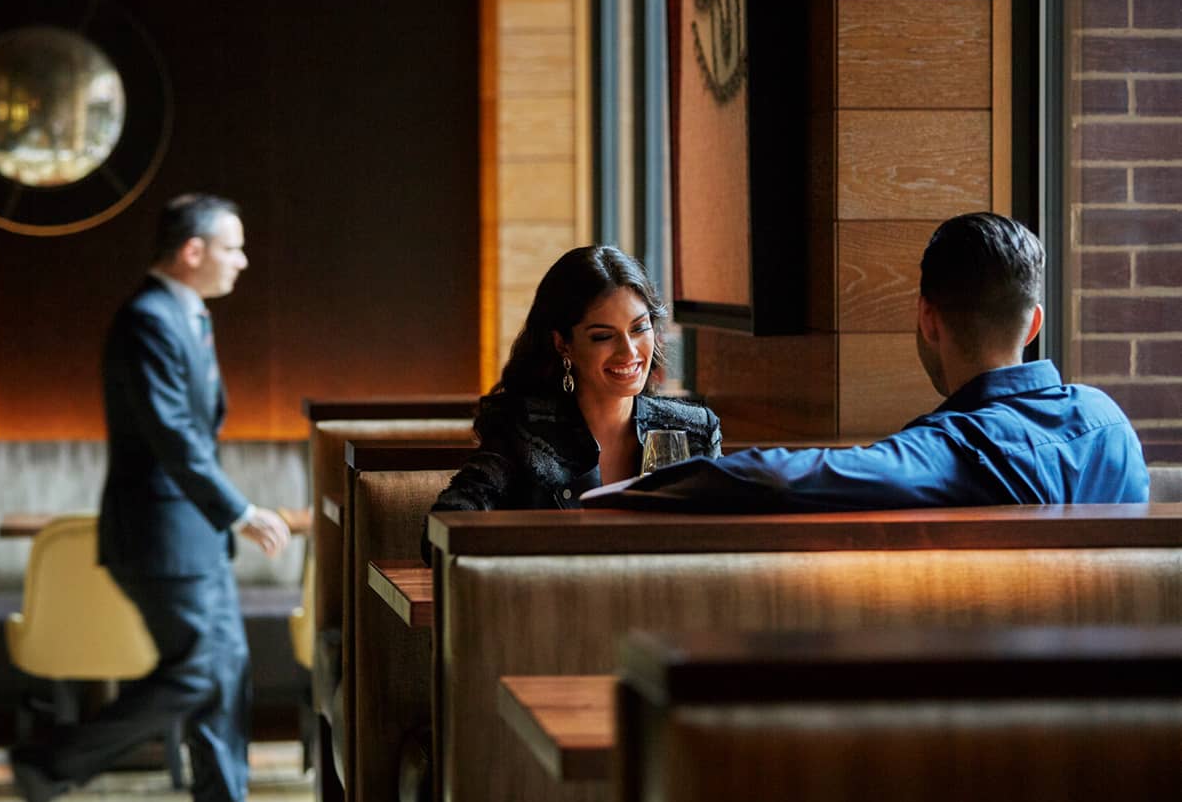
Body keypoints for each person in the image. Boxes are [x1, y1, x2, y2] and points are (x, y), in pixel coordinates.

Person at [10, 194, 290, 802]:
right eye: (232, 247)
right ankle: (51, 762)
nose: (243, 261)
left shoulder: (187, 315)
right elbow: (173, 437)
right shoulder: (148, 319)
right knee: (200, 676)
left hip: (191, 537)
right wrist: (241, 511)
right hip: (162, 537)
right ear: (193, 252)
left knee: (224, 676)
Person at [584, 212, 1149, 511]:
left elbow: (788, 480)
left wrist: (637, 491)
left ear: (928, 319)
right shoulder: (1110, 424)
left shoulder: (955, 450)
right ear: (1035, 323)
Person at [425, 245, 722, 562]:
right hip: (553, 605)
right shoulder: (524, 434)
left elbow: (722, 547)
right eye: (603, 336)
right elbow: (439, 536)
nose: (629, 352)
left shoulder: (694, 432)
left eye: (639, 328)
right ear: (562, 344)